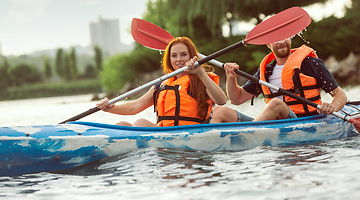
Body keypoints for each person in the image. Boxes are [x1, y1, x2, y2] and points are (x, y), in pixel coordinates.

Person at [96, 37, 227, 127]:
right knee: (122, 125)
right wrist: (109, 109)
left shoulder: (201, 79)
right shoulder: (161, 85)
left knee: (140, 123)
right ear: (169, 60)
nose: (178, 59)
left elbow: (221, 100)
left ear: (191, 56)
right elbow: (135, 106)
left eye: (183, 54)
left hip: (190, 131)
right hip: (165, 132)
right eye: (174, 55)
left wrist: (200, 72)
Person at [211, 37, 347, 123]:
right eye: (275, 38)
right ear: (268, 44)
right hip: (271, 124)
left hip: (303, 122)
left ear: (291, 38)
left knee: (276, 103)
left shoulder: (311, 63)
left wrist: (331, 107)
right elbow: (237, 99)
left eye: (285, 37)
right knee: (219, 111)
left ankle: (249, 133)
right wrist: (230, 78)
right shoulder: (265, 71)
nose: (281, 41)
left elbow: (340, 95)